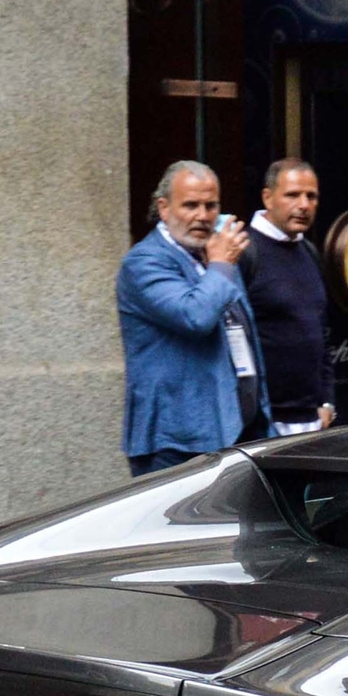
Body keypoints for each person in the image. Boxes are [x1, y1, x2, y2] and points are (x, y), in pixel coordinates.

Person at [117, 160, 269, 476]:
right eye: (190, 205)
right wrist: (221, 264)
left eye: (210, 205)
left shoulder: (215, 254)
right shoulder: (144, 262)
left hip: (235, 429)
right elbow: (195, 316)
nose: (202, 216)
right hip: (177, 441)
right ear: (164, 207)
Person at [241, 158, 336, 437]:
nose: (304, 205)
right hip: (262, 423)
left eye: (311, 196)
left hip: (311, 420)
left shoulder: (309, 252)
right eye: (293, 195)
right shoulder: (243, 251)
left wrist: (327, 400)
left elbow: (322, 334)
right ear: (268, 198)